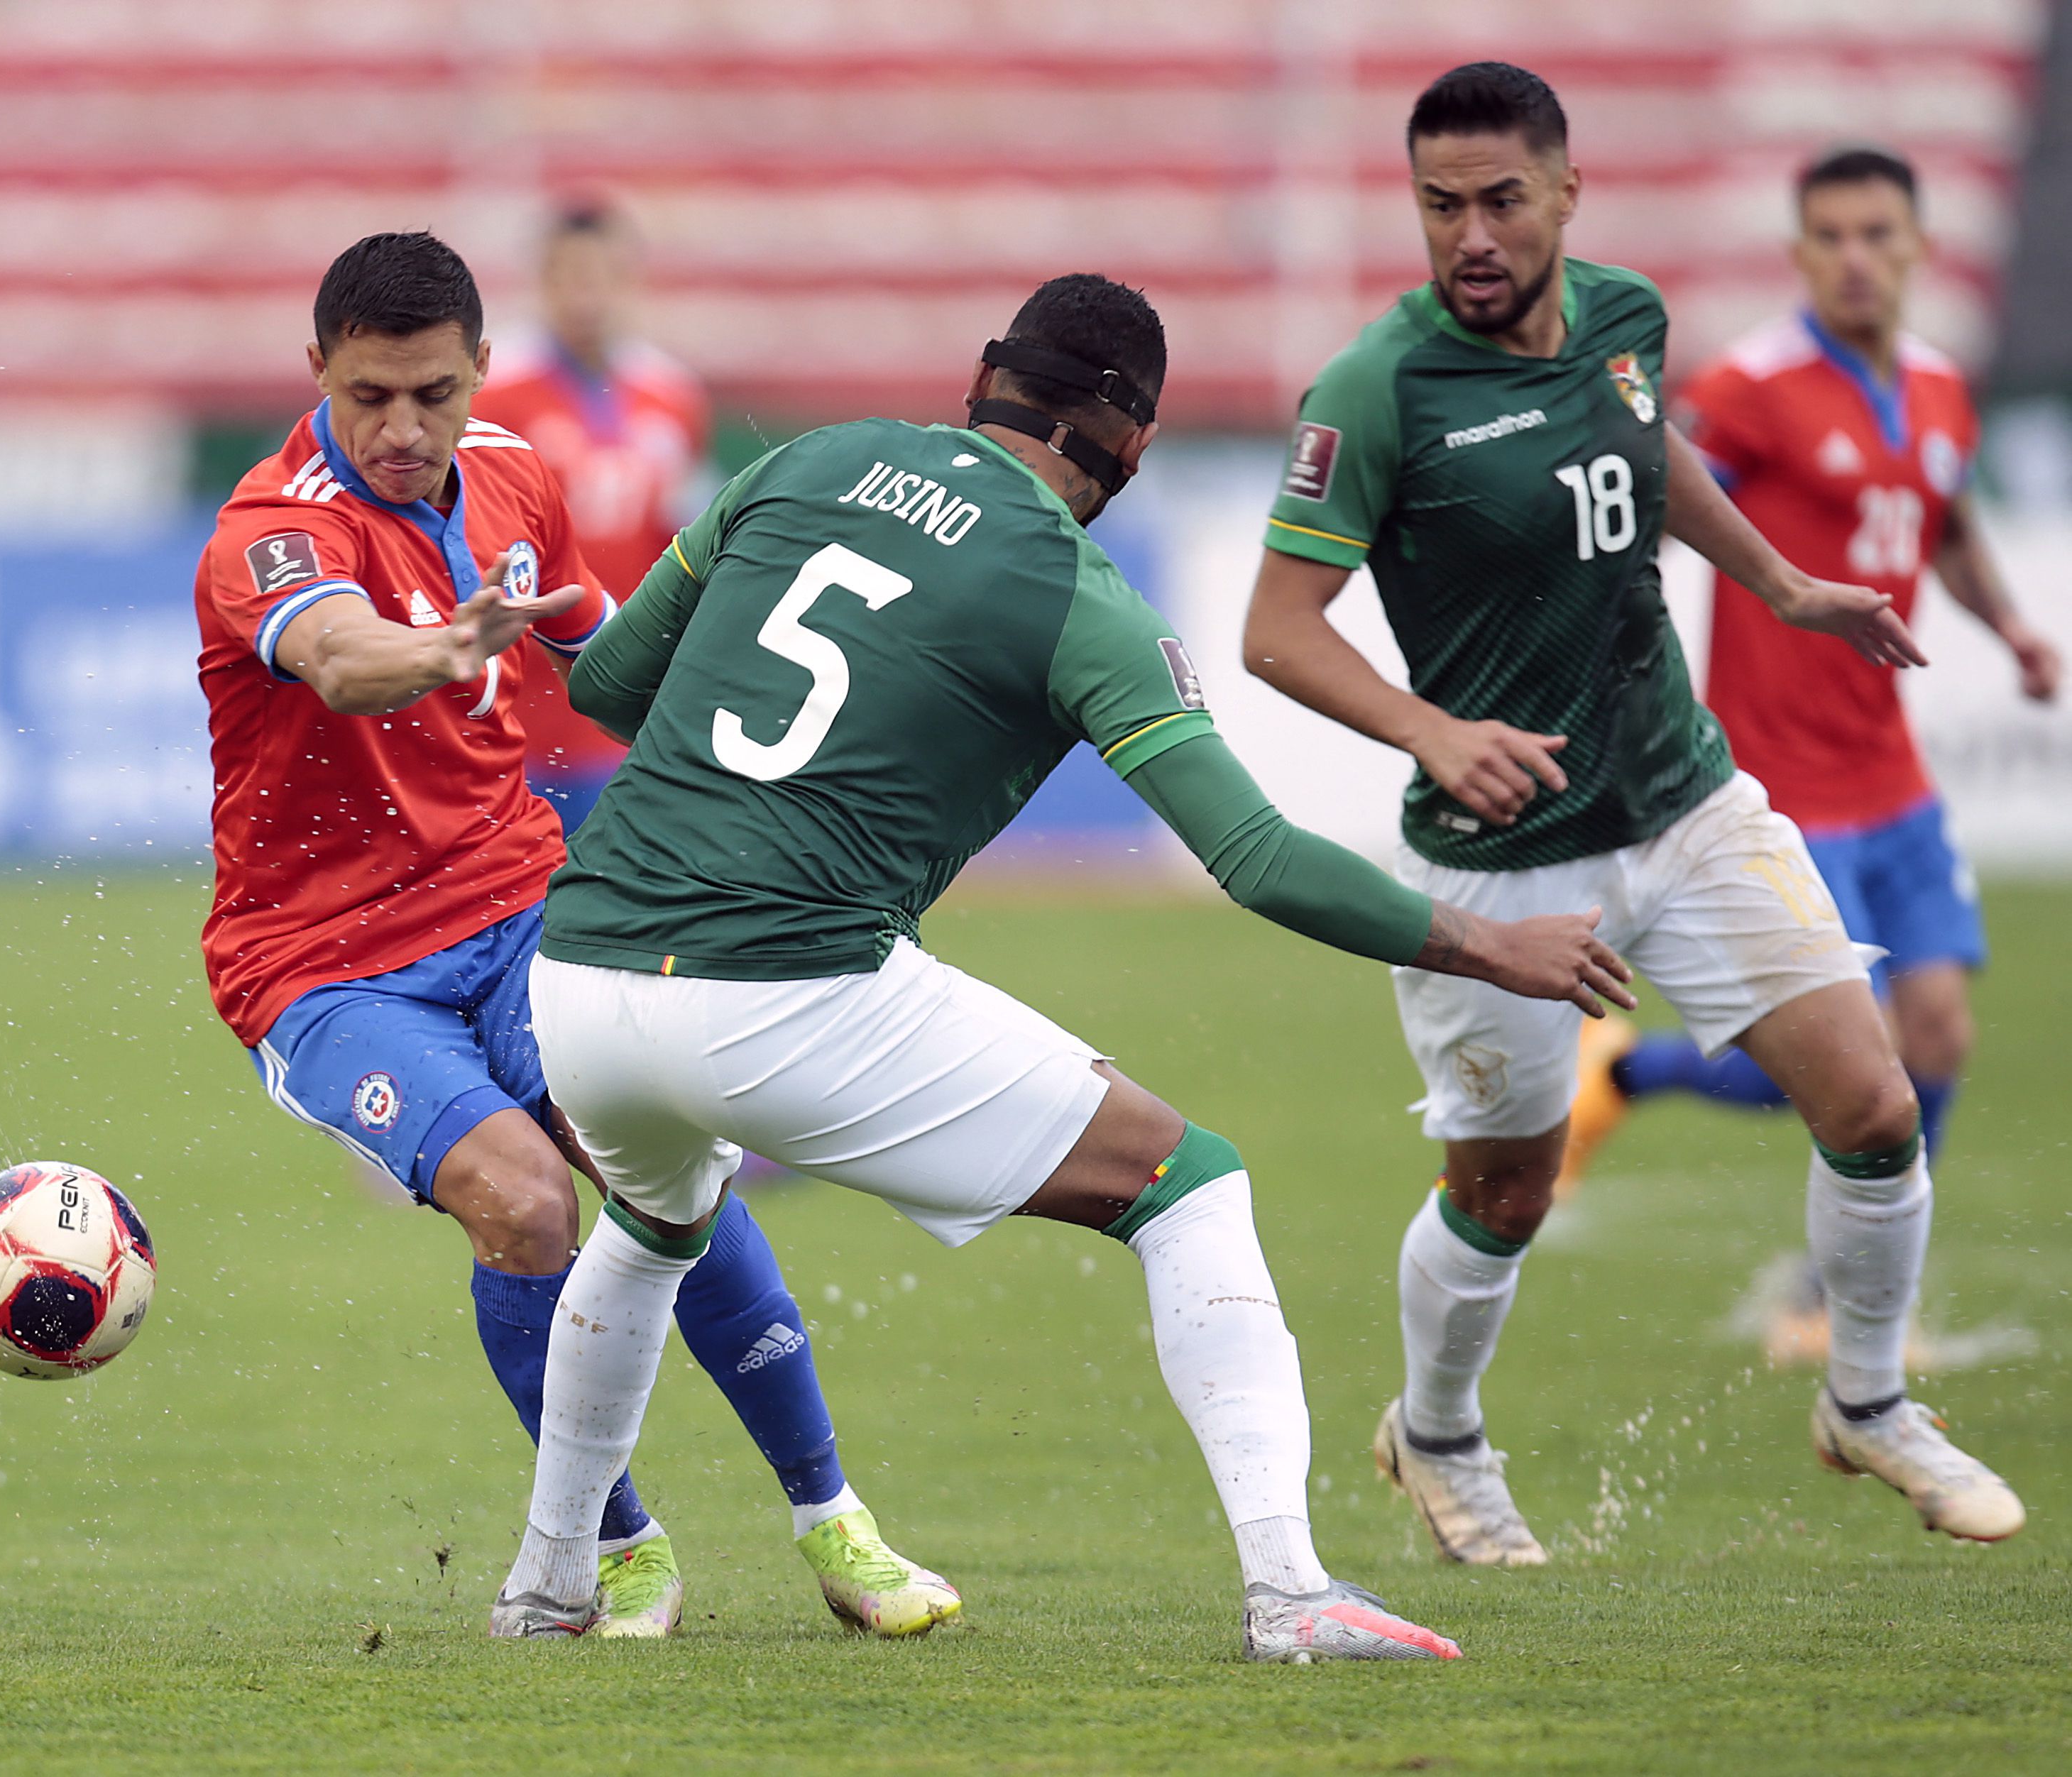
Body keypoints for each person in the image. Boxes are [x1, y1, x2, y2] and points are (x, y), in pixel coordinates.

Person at [488, 270, 1642, 1658]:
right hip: (782, 988)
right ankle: (1290, 1592)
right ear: (1130, 448)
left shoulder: (811, 457)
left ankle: (549, 1583)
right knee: (1187, 1178)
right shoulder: (1072, 590)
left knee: (651, 1230)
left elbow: (606, 687)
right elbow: (1258, 858)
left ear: (986, 378)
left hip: (584, 977)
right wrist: (1488, 942)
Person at [1241, 64, 2025, 1568]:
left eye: (1498, 201)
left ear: (1564, 194)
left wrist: (1777, 582)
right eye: (1438, 206)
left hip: (1683, 797)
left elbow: (1642, 446)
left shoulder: (1623, 319)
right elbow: (1277, 628)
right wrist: (1428, 730)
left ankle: (1865, 1398)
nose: (1468, 235)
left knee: (1872, 1106)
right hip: (1499, 860)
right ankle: (1438, 1429)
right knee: (1506, 1188)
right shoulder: (1373, 388)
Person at [193, 230, 955, 1639]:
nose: (404, 428)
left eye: (433, 391)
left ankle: (833, 1520)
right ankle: (617, 1546)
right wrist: (442, 647)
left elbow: (617, 659)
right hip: (326, 972)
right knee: (526, 1199)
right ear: (315, 375)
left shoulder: (519, 483)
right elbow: (340, 657)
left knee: (668, 1154)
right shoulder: (268, 534)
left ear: (487, 368)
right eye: (369, 396)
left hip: (519, 904)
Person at [1564, 145, 2061, 1183]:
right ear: (1797, 251)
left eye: (1876, 235)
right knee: (1819, 1063)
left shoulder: (1936, 387)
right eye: (1828, 237)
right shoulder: (1750, 388)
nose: (1853, 259)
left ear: (1920, 247)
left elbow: (1948, 527)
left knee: (1936, 1039)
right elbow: (1651, 494)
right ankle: (1623, 1076)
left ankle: (1841, 1293)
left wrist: (2011, 630)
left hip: (1892, 778)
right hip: (1779, 782)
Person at [472, 198, 710, 830]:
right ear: (542, 280)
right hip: (513, 702)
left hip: (617, 700)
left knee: (606, 908)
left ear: (629, 280)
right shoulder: (495, 395)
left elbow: (680, 542)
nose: (585, 297)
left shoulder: (673, 394)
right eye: (569, 276)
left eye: (601, 276)